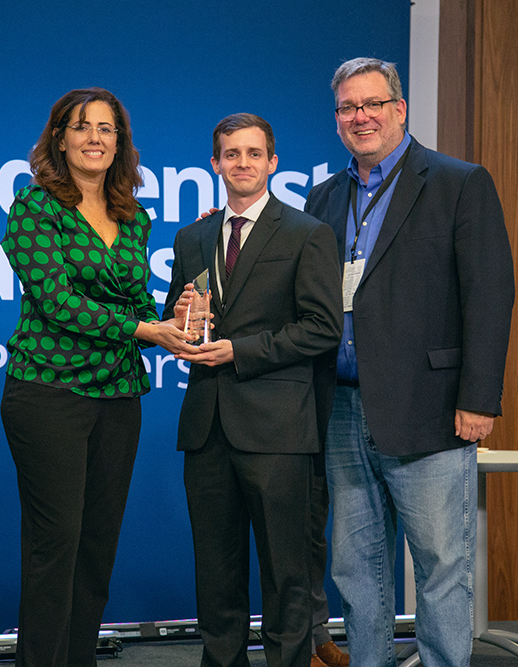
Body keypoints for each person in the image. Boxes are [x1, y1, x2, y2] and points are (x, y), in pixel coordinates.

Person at [304, 58, 515, 667]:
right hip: (343, 408)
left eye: (371, 104)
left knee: (441, 566)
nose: (360, 117)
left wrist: (479, 397)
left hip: (432, 408)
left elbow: (490, 294)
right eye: (347, 108)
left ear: (399, 110)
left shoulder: (458, 182)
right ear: (337, 119)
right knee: (355, 566)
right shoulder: (323, 197)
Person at [0, 87, 196, 667]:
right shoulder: (34, 208)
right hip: (47, 394)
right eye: (82, 127)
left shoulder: (135, 218)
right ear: (59, 138)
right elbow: (57, 304)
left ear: (120, 143)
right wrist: (146, 332)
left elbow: (137, 303)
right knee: (53, 546)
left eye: (107, 129)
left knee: (96, 548)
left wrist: (178, 317)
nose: (94, 138)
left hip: (118, 396)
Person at [162, 113, 343, 667]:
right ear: (214, 163)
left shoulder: (307, 232)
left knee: (286, 574)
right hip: (207, 427)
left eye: (253, 154)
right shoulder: (192, 236)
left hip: (278, 429)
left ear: (272, 162)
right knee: (215, 573)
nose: (242, 163)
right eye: (231, 154)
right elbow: (179, 310)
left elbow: (322, 328)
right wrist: (177, 330)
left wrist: (241, 351)